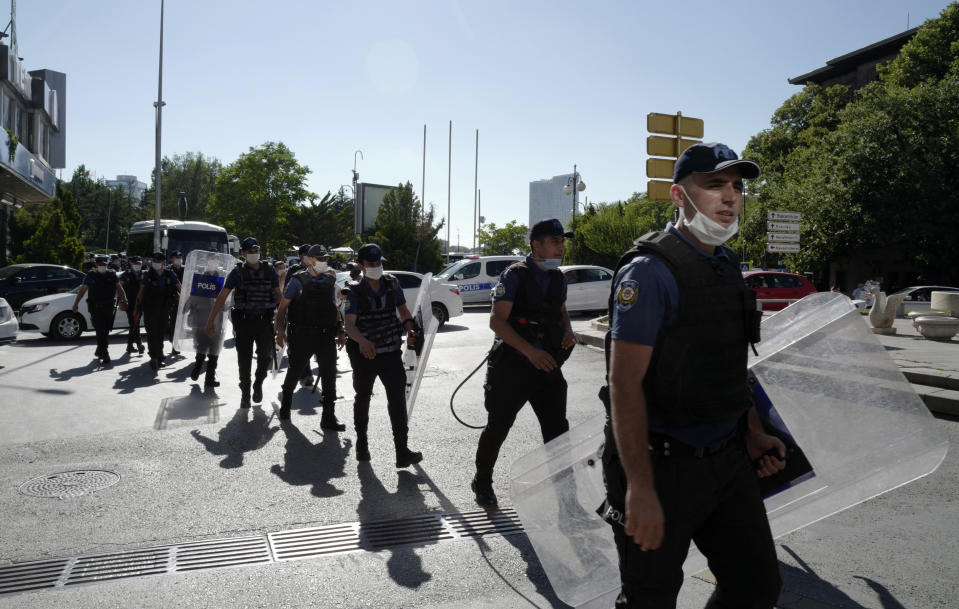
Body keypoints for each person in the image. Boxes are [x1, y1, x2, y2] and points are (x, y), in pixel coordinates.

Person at [600, 142, 785, 608]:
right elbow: (625, 386)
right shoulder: (649, 272)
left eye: (738, 187)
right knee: (650, 599)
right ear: (679, 196)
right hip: (660, 467)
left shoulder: (725, 265)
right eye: (715, 185)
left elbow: (727, 364)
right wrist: (639, 490)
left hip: (727, 461)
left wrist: (754, 432)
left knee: (756, 587)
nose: (731, 197)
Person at [471, 219, 577, 508]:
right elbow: (497, 322)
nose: (561, 246)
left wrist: (568, 331)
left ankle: (568, 500)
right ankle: (482, 482)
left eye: (562, 241)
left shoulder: (557, 278)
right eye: (555, 241)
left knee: (558, 434)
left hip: (548, 367)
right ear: (536, 245)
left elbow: (561, 311)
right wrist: (530, 352)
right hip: (514, 367)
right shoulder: (515, 275)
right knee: (498, 428)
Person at [343, 243, 423, 468]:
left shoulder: (392, 283)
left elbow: (404, 311)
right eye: (371, 264)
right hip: (365, 355)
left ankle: (402, 452)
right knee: (363, 397)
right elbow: (349, 325)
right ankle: (362, 443)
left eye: (379, 263)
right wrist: (363, 341)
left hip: (390, 353)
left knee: (397, 402)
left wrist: (410, 328)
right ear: (361, 266)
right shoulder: (355, 291)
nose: (376, 267)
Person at [206, 237, 283, 408]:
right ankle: (246, 393)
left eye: (256, 251)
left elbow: (279, 295)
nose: (254, 254)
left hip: (265, 322)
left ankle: (258, 383)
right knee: (244, 361)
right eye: (250, 251)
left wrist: (283, 321)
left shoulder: (269, 271)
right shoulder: (237, 272)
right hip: (244, 322)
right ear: (243, 253)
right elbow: (222, 296)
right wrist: (210, 321)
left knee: (265, 358)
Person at [275, 244, 347, 425]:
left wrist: (340, 329)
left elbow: (334, 307)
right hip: (302, 335)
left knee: (329, 375)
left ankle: (329, 417)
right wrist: (280, 332)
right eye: (320, 259)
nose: (324, 262)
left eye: (325, 259)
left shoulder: (330, 280)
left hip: (325, 336)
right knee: (294, 371)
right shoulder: (297, 280)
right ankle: (286, 406)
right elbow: (282, 308)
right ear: (311, 259)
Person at [72, 255, 126, 365]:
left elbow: (119, 288)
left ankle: (100, 349)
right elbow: (82, 290)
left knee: (106, 329)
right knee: (100, 329)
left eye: (104, 264)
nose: (102, 266)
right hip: (95, 307)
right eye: (100, 264)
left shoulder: (112, 274)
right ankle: (105, 352)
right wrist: (75, 304)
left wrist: (124, 300)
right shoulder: (91, 276)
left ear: (107, 265)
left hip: (109, 306)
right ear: (96, 265)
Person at [134, 252, 181, 372]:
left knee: (160, 334)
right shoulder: (148, 275)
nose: (155, 263)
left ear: (164, 263)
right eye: (154, 261)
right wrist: (136, 307)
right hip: (150, 309)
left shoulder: (169, 274)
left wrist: (185, 300)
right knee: (152, 333)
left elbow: (179, 287)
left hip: (164, 309)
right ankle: (154, 357)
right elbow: (141, 291)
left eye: (158, 261)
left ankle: (159, 356)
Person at [186, 259, 227, 388]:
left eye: (215, 262)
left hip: (217, 319)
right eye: (210, 262)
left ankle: (209, 378)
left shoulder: (222, 279)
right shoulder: (200, 279)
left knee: (214, 351)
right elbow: (193, 297)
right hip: (202, 318)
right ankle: (197, 368)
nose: (212, 265)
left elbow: (226, 298)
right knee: (202, 347)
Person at [119, 256, 145, 354]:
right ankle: (138, 344)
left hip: (140, 303)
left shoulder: (144, 274)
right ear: (131, 264)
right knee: (134, 323)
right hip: (129, 303)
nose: (137, 265)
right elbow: (118, 287)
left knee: (135, 323)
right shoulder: (126, 274)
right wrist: (121, 300)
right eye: (135, 263)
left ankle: (130, 346)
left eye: (139, 263)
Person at [167, 250, 185, 356]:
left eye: (180, 257)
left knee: (182, 324)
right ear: (171, 259)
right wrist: (175, 294)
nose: (178, 259)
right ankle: (174, 345)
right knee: (174, 323)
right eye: (176, 257)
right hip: (173, 300)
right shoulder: (168, 270)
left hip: (185, 300)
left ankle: (176, 342)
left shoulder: (186, 269)